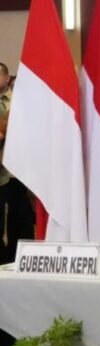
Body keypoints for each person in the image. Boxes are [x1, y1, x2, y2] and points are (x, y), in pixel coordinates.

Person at [0, 63, 34, 265]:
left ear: (7, 78)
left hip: (18, 170)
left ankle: (21, 258)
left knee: (20, 217)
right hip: (1, 172)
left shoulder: (19, 101)